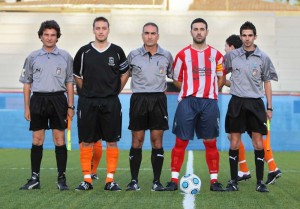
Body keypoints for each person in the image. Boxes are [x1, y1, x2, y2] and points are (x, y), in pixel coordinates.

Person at [164, 18, 225, 192]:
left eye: (202, 29)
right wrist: (189, 89)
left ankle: (214, 181)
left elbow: (221, 77)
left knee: (210, 142)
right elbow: (176, 79)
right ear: (191, 32)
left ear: (207, 31)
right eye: (195, 29)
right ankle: (174, 181)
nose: (199, 32)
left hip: (209, 102)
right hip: (188, 102)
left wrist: (213, 91)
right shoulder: (183, 55)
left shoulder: (216, 55)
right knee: (180, 141)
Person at [73, 16, 129, 191]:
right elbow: (77, 77)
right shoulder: (83, 52)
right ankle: (87, 180)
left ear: (108, 30)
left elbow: (125, 73)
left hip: (111, 102)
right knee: (87, 141)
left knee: (111, 141)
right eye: (98, 28)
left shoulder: (117, 51)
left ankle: (109, 180)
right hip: (88, 102)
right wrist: (87, 92)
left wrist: (114, 91)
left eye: (104, 28)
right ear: (93, 30)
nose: (101, 31)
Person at [19, 20, 74, 191]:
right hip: (38, 100)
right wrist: (27, 107)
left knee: (59, 139)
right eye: (46, 35)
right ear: (41, 36)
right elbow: (27, 83)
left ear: (57, 37)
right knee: (37, 139)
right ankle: (34, 178)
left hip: (58, 100)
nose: (49, 38)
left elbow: (70, 82)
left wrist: (70, 106)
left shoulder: (66, 57)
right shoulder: (32, 57)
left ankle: (61, 178)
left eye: (53, 35)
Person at [224, 21, 278, 192]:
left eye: (250, 35)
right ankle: (233, 181)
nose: (247, 39)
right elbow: (220, 75)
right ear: (241, 37)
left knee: (258, 144)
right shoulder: (232, 56)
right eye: (244, 35)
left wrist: (269, 107)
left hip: (255, 104)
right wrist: (229, 84)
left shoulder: (264, 57)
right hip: (237, 102)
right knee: (234, 143)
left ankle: (260, 182)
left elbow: (267, 83)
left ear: (255, 37)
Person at [123, 22, 173, 191]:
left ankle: (156, 181)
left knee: (156, 141)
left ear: (157, 35)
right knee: (137, 141)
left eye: (153, 33)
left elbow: (175, 77)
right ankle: (134, 181)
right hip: (138, 100)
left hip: (158, 100)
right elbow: (123, 76)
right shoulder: (133, 55)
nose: (150, 36)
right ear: (142, 35)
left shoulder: (166, 55)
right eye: (146, 33)